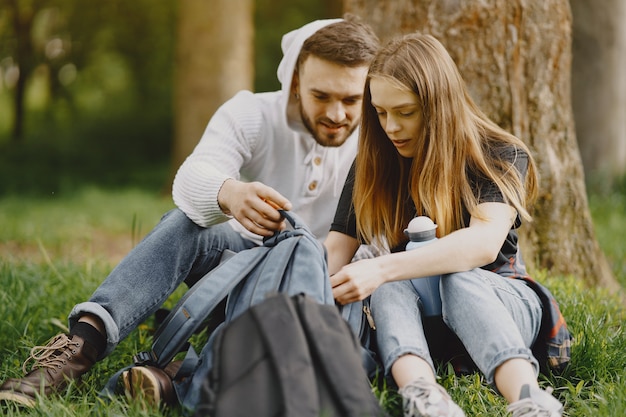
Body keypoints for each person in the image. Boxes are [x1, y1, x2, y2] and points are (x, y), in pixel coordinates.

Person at [0, 16, 380, 408]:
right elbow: (192, 176)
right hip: (232, 273)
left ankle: (172, 379)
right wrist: (229, 194)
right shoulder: (253, 113)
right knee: (187, 223)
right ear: (296, 81)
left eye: (351, 100)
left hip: (318, 294)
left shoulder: (378, 139)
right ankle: (78, 348)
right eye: (322, 96)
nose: (337, 114)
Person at [324, 33, 565, 417]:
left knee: (458, 276)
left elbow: (483, 244)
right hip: (425, 326)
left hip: (501, 303)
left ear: (439, 106)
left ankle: (528, 400)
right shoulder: (375, 164)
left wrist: (378, 267)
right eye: (381, 112)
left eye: (406, 112)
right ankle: (424, 397)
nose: (391, 127)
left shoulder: (499, 154)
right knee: (388, 287)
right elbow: (334, 255)